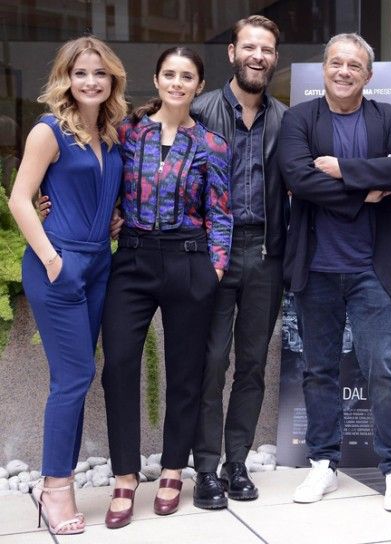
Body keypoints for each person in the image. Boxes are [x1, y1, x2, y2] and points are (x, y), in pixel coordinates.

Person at [279, 33, 391, 512]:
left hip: (371, 270)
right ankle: (324, 463)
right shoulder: (299, 119)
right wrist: (365, 188)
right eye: (336, 63)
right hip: (316, 267)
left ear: (368, 75)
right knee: (318, 372)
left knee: (384, 369)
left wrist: (342, 170)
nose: (343, 72)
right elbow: (298, 177)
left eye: (354, 66)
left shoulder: (390, 118)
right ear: (324, 69)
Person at [101, 46, 232, 529]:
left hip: (188, 261)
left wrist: (214, 270)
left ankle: (174, 469)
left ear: (199, 86)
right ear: (156, 80)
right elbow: (101, 187)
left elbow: (221, 213)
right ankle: (125, 474)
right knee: (118, 365)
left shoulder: (213, 144)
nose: (177, 83)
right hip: (133, 260)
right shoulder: (126, 133)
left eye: (187, 76)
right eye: (170, 74)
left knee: (185, 372)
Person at [8, 36, 126, 535]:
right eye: (81, 73)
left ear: (112, 79)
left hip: (99, 263)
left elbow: (97, 191)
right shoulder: (49, 129)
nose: (91, 81)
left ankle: (61, 479)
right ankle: (54, 487)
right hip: (58, 264)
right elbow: (19, 199)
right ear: (66, 78)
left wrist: (111, 219)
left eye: (100, 73)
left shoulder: (111, 133)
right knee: (73, 377)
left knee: (78, 376)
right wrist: (52, 259)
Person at [189, 15, 288, 509]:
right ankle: (205, 469)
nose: (257, 56)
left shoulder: (287, 120)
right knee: (210, 363)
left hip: (266, 255)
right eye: (249, 47)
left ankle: (236, 463)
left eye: (266, 49)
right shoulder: (201, 111)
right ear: (232, 52)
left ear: (274, 58)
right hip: (212, 253)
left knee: (252, 366)